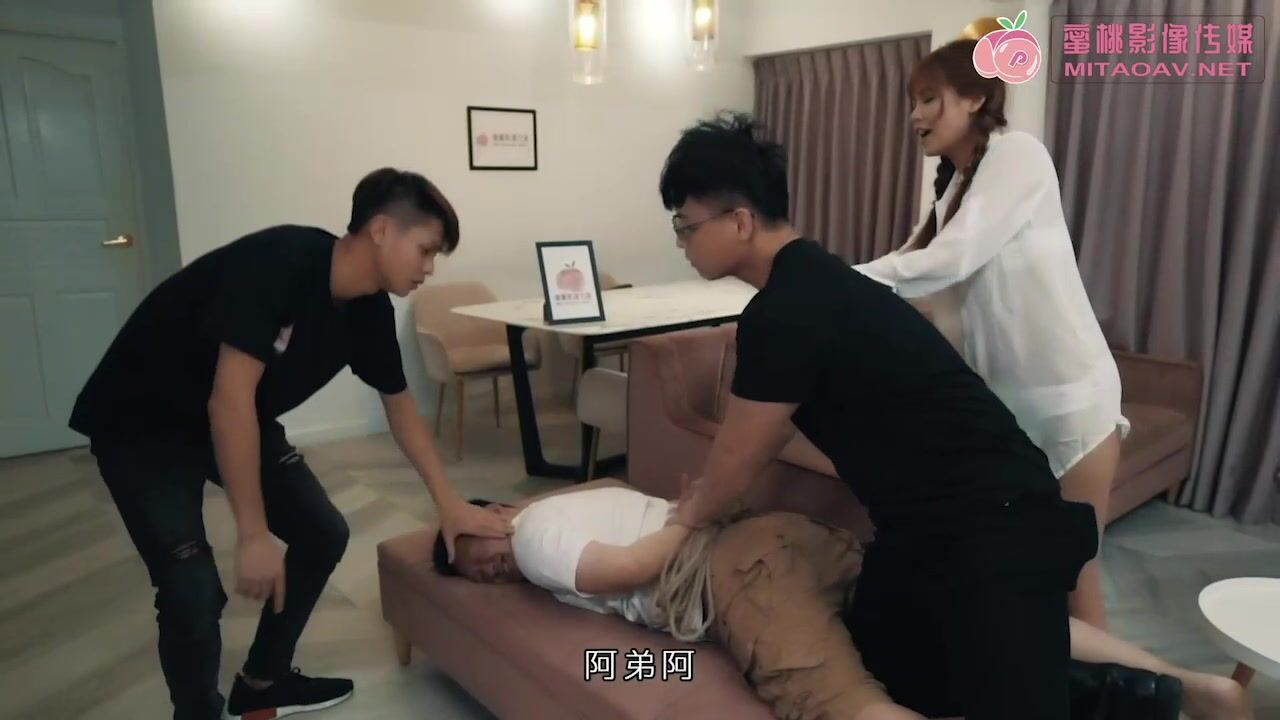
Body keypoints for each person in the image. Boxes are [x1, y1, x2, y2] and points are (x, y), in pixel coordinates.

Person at [68, 168, 512, 720]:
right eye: (425, 250)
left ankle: (264, 680)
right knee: (191, 588)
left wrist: (449, 504)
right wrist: (252, 533)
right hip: (141, 423)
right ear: (380, 230)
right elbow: (228, 400)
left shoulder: (370, 309)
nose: (429, 268)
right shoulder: (281, 262)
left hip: (233, 414)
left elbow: (400, 408)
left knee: (322, 533)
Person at [439, 486, 1252, 720]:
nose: (487, 568)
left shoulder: (535, 533)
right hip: (784, 539)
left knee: (842, 708)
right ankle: (1188, 685)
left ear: (498, 512)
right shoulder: (591, 497)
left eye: (475, 549)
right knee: (956, 631)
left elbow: (622, 572)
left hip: (739, 571)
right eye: (474, 576)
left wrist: (689, 517)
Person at [852, 39, 1127, 630]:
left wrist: (828, 278)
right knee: (1031, 579)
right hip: (1011, 413)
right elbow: (913, 276)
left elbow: (947, 260)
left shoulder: (1018, 155)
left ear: (975, 97)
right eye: (913, 102)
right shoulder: (956, 189)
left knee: (1075, 577)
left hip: (1068, 403)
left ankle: (1133, 682)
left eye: (930, 99)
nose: (915, 116)